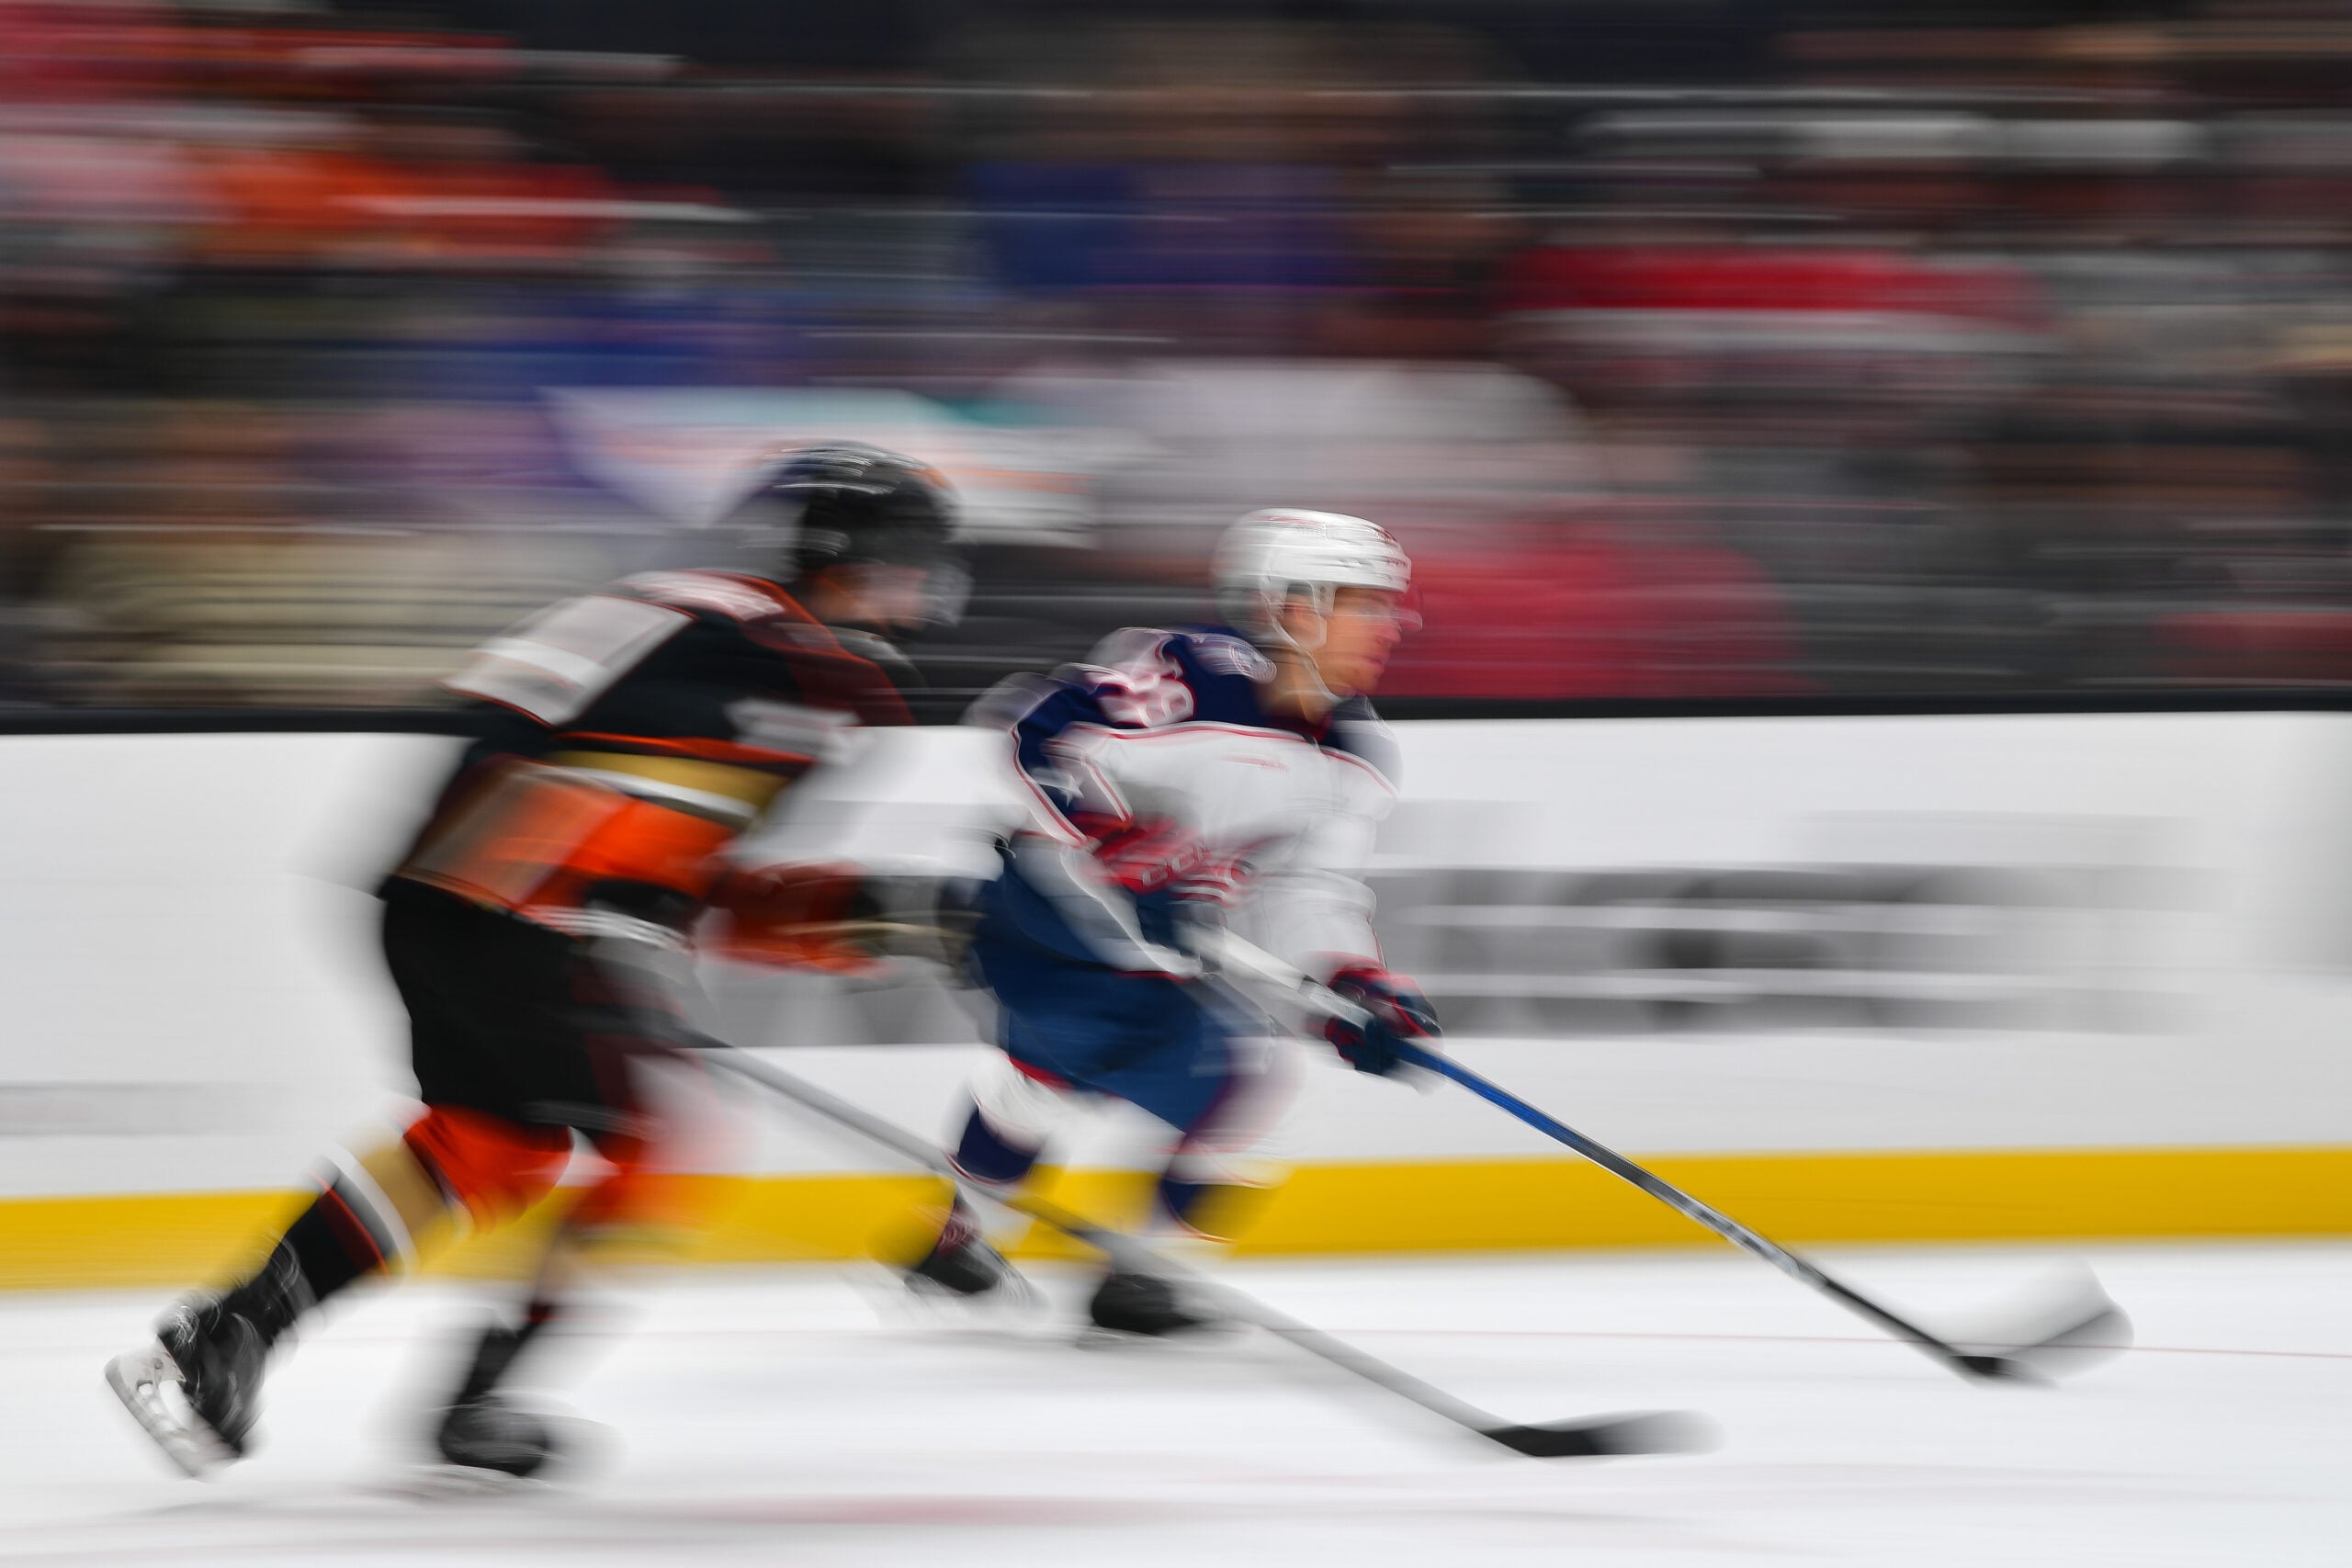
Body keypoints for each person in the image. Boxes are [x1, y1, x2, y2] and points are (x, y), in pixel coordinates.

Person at [107, 444, 960, 1478]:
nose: (920, 590)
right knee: (650, 1145)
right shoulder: (794, 664)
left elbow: (653, 853)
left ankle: (230, 1333)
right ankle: (479, 1401)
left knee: (491, 1143)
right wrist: (592, 910)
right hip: (507, 912)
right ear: (845, 555)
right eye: (909, 560)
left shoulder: (697, 616)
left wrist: (857, 912)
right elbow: (611, 823)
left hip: (442, 903)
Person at [906, 509, 1440, 1336]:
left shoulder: (1354, 754)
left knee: (1063, 1082)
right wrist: (1101, 823)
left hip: (1161, 943)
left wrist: (1351, 982)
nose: (1390, 626)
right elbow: (1031, 733)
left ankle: (975, 1247)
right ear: (1294, 606)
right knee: (1223, 1076)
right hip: (1047, 918)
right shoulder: (1187, 673)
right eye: (1366, 603)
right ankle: (1125, 1276)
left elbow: (1307, 887)